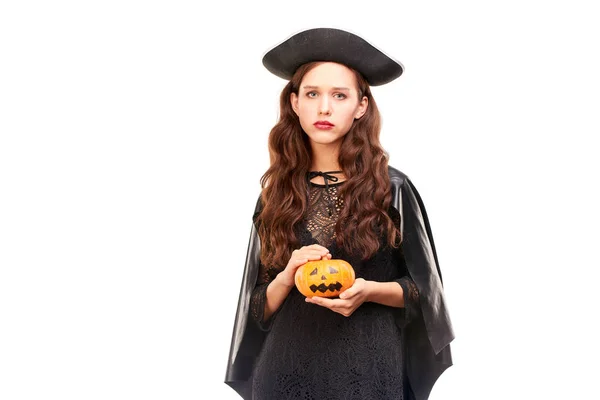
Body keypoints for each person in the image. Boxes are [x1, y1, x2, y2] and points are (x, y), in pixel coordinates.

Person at [224, 27, 454, 400]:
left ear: (361, 106)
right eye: (312, 94)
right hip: (285, 371)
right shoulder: (275, 194)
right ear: (295, 102)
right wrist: (286, 276)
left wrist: (369, 291)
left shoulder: (392, 189)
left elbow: (425, 294)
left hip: (368, 370)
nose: (324, 108)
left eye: (339, 95)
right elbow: (255, 312)